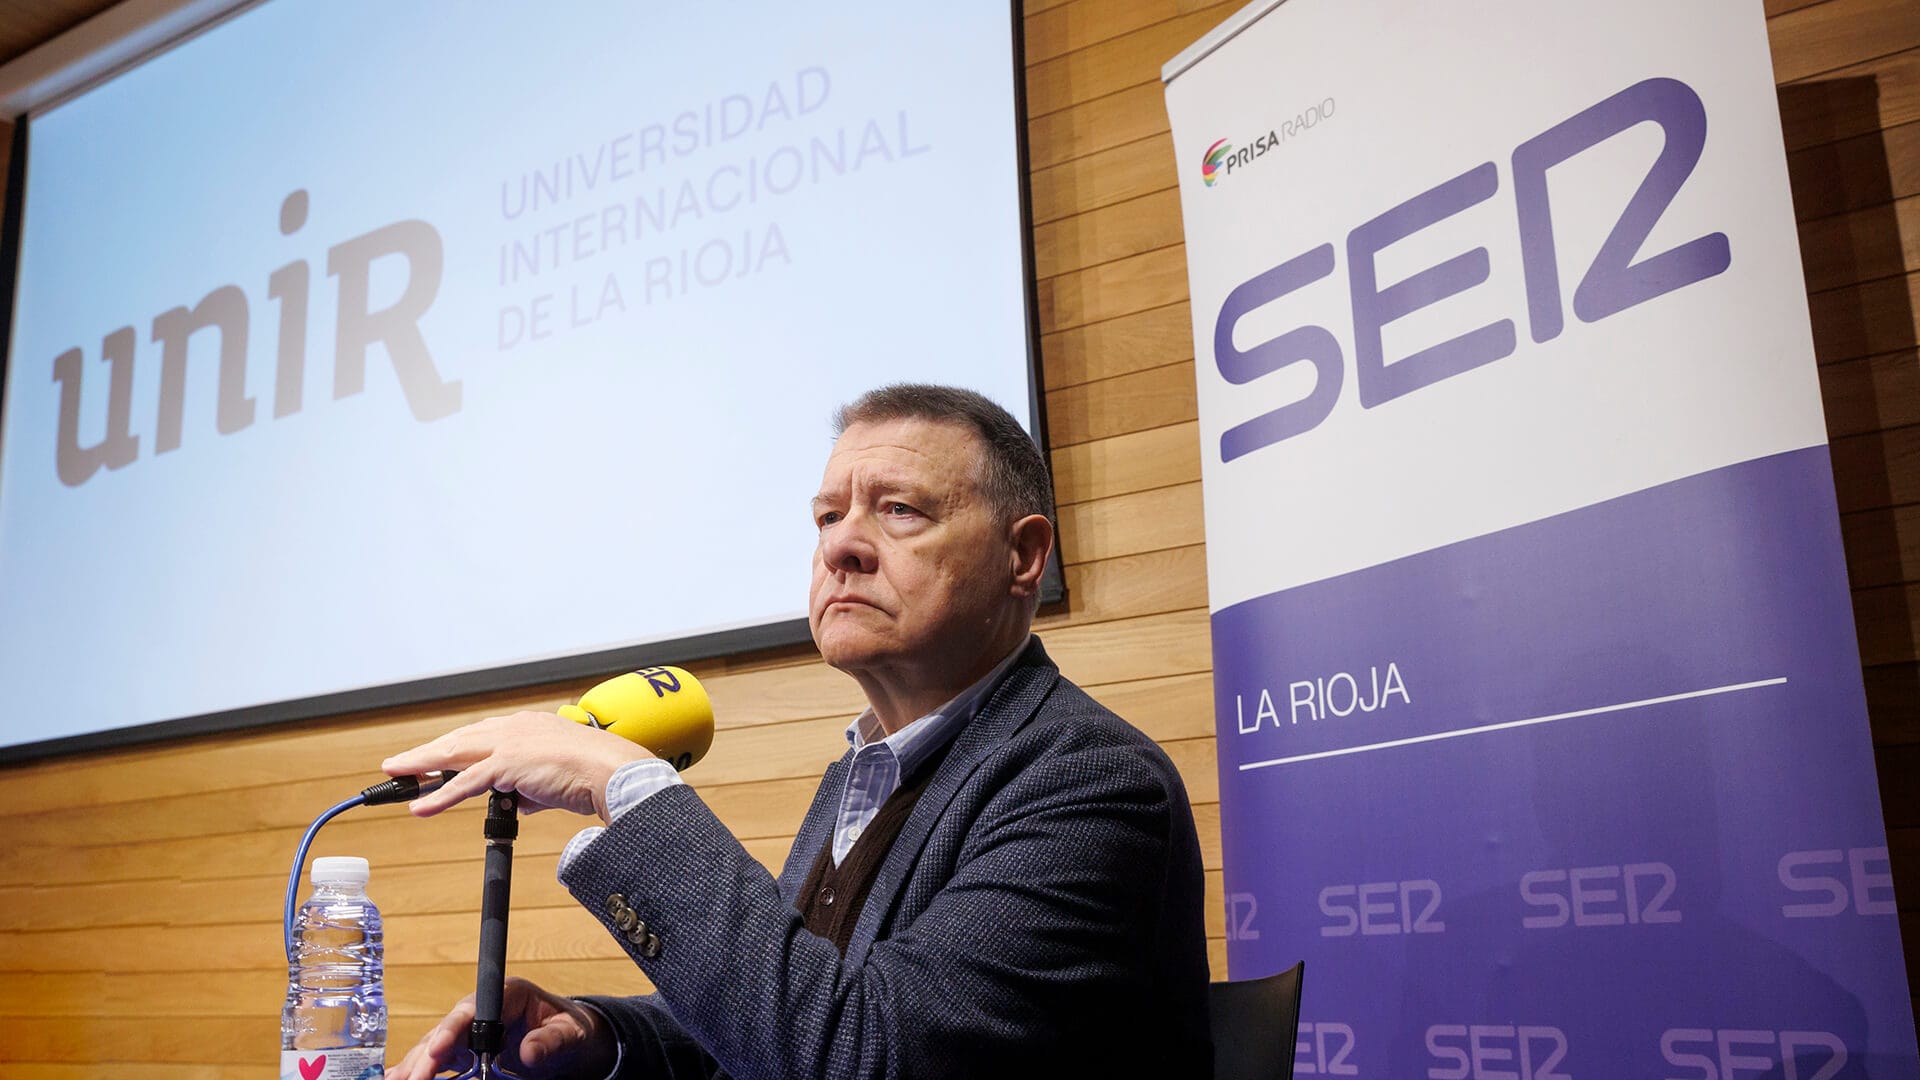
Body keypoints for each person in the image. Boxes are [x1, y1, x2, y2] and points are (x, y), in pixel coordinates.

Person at [383, 384, 1212, 1079]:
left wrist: (624, 782)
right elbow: (785, 1019)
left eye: (899, 511)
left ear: (1023, 556)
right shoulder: (863, 774)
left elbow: (863, 1055)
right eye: (825, 517)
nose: (842, 544)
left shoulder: (1091, 782)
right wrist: (602, 1038)